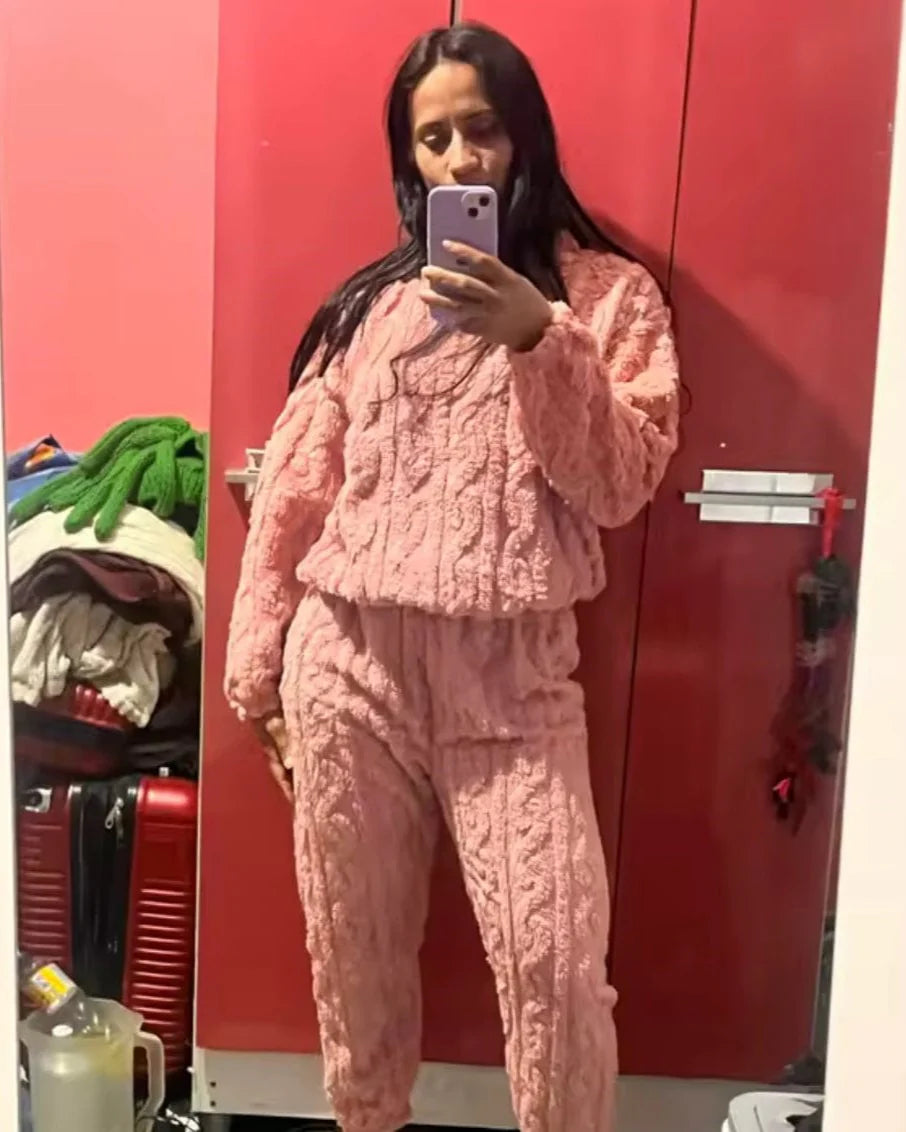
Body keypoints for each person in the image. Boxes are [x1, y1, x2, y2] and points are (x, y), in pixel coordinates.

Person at [225, 22, 679, 1132]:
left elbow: (622, 483)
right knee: (354, 960)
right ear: (410, 160)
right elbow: (295, 489)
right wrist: (259, 680)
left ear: (526, 135)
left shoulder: (610, 298)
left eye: (482, 128)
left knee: (558, 973)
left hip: (512, 682)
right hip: (351, 668)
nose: (462, 158)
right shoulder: (371, 308)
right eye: (433, 139)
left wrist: (539, 338)